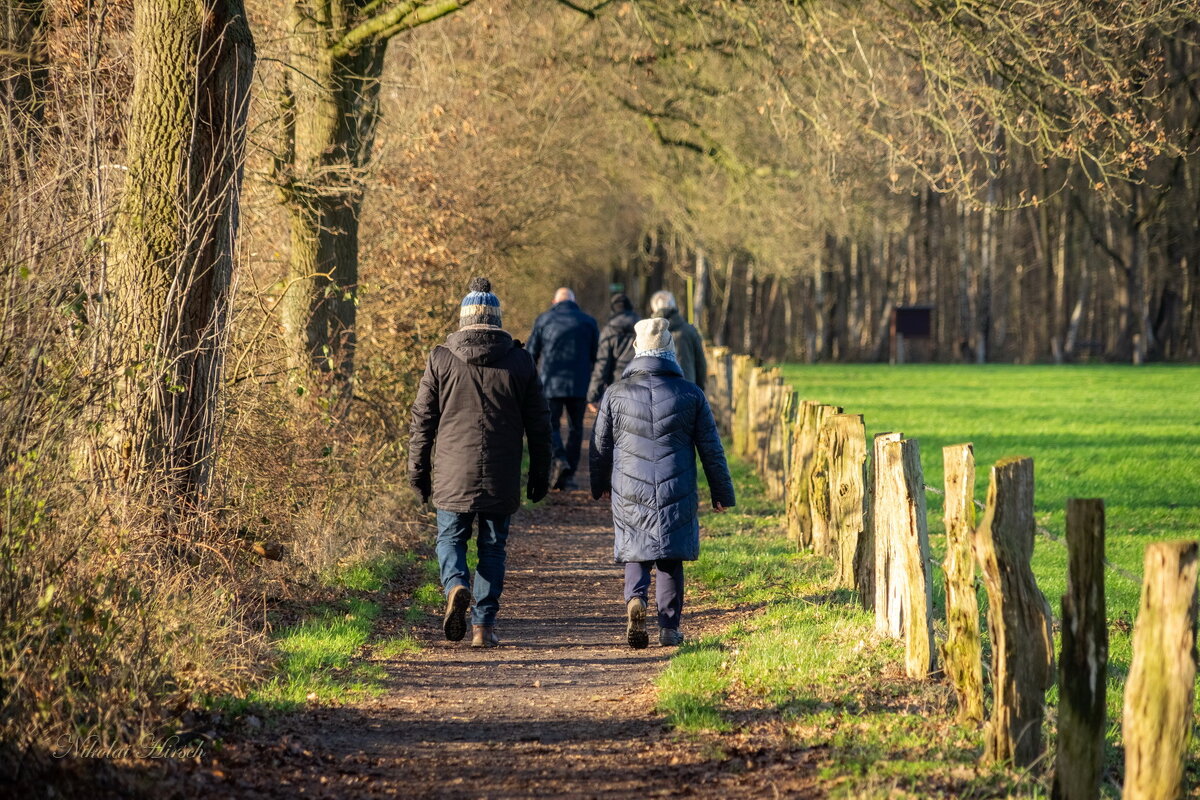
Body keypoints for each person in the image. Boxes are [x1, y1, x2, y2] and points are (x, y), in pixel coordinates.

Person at [408, 277, 552, 648]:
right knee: (492, 547)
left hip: (452, 473)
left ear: (463, 319)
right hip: (501, 474)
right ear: (497, 320)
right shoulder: (520, 362)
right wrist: (540, 473)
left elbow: (422, 420)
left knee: (450, 538)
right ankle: (483, 626)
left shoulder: (441, 359)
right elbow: (540, 423)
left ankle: (456, 584)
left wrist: (418, 472)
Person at [590, 317, 735, 649]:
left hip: (629, 487)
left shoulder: (615, 393)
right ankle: (669, 628)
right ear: (670, 351)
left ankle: (635, 601)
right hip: (676, 486)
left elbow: (600, 446)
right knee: (670, 557)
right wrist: (721, 492)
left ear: (637, 351)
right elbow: (711, 447)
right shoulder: (691, 393)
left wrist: (599, 484)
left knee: (635, 550)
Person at [527, 287, 599, 491]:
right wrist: (595, 384)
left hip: (550, 384)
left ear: (554, 302)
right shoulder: (588, 321)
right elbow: (596, 356)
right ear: (574, 301)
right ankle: (569, 475)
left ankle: (559, 458)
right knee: (576, 429)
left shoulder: (544, 320)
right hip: (579, 385)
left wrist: (530, 382)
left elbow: (531, 353)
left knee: (551, 426)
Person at [586, 293, 639, 412]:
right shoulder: (642, 328)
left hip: (617, 384)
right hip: (640, 383)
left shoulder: (609, 330)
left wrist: (593, 395)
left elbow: (602, 364)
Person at [649, 290, 707, 391]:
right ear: (674, 306)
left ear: (654, 308)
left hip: (658, 392)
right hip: (688, 388)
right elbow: (700, 364)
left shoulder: (648, 333)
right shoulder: (689, 331)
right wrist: (700, 390)